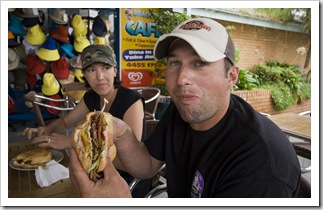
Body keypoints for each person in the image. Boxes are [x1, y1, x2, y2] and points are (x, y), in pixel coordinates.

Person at [69, 18, 301, 198]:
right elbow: (148, 164)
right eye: (175, 63)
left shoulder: (261, 165)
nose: (181, 79)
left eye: (200, 63)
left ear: (230, 76)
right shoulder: (180, 112)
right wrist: (121, 132)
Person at [20, 44, 151, 198]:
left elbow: (131, 164)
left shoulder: (131, 101)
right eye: (91, 70)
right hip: (95, 175)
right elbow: (64, 123)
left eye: (105, 67)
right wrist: (45, 131)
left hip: (128, 184)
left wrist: (75, 143)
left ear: (115, 70)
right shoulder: (92, 97)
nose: (100, 77)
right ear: (84, 75)